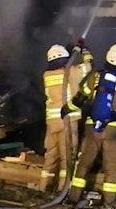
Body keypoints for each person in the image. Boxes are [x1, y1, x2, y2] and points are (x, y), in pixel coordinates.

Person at [63, 43, 116, 208]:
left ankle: (73, 198)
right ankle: (109, 202)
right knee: (112, 167)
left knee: (83, 163)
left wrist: (66, 109)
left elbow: (80, 98)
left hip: (92, 126)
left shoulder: (96, 77)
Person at [39, 40, 93, 192]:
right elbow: (90, 66)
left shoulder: (47, 75)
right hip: (67, 121)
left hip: (52, 122)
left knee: (50, 157)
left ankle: (43, 189)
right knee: (67, 158)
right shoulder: (71, 72)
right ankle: (63, 190)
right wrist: (85, 51)